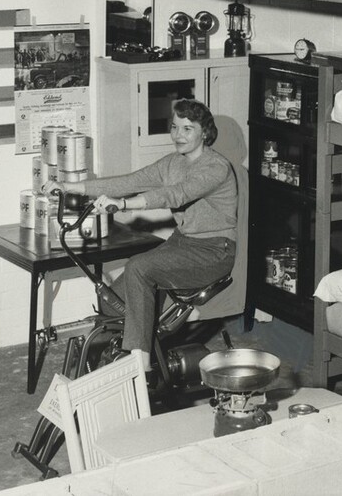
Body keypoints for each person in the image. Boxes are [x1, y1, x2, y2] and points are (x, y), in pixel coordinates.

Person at [43, 98, 237, 377]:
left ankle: (141, 366)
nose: (178, 135)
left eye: (187, 129)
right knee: (110, 300)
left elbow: (175, 195)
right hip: (182, 242)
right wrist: (68, 186)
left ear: (205, 132)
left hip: (215, 249)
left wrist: (123, 205)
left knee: (138, 267)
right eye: (174, 127)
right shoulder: (172, 163)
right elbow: (128, 182)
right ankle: (130, 351)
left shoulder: (216, 167)